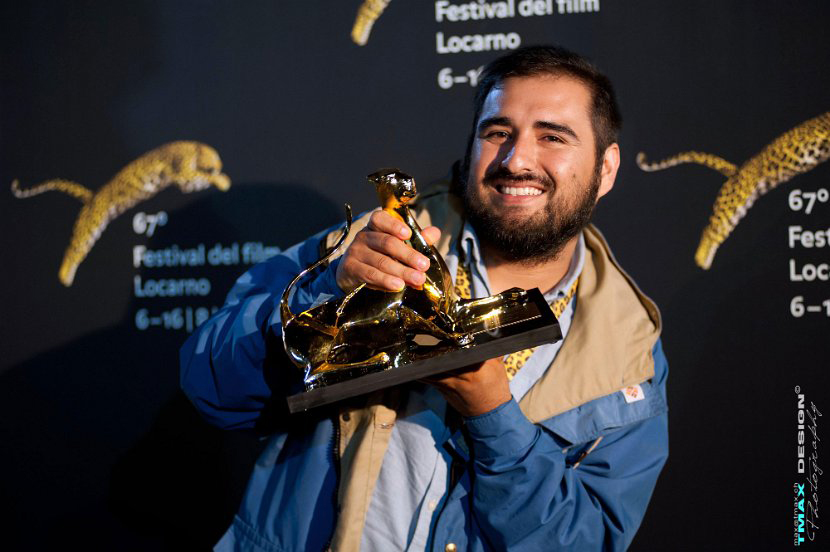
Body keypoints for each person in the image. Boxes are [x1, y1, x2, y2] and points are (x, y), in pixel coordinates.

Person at [180, 45, 668, 552]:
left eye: (553, 137)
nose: (516, 158)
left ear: (606, 169)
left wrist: (492, 415)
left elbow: (584, 542)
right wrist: (328, 294)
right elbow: (210, 387)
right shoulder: (370, 245)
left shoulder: (629, 354)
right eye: (497, 132)